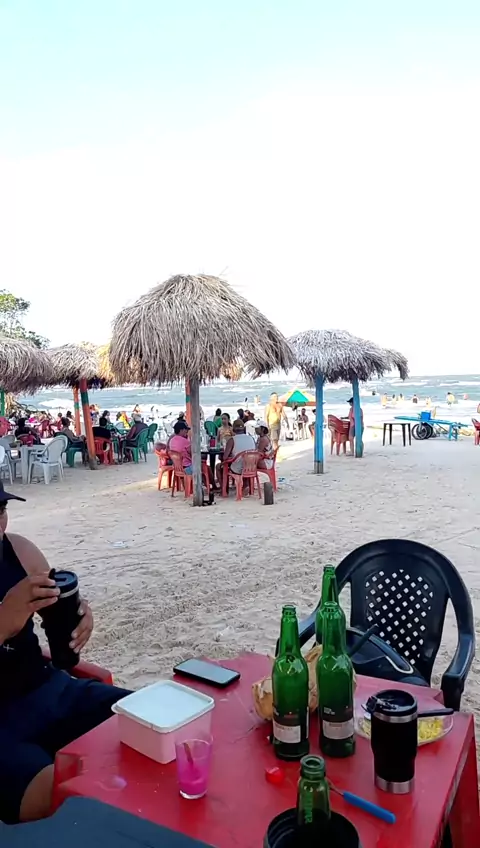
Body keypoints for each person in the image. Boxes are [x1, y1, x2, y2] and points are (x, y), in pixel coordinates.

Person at [0, 481, 131, 823]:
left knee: (148, 723)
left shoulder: (19, 552)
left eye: (0, 511)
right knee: (67, 798)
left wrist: (78, 616)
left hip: (48, 690)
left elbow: (56, 610)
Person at [217, 419, 256, 486]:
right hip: (251, 467)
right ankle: (246, 485)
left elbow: (225, 457)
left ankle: (223, 488)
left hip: (238, 469)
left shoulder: (232, 440)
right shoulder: (251, 438)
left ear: (233, 429)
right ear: (244, 428)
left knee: (218, 466)